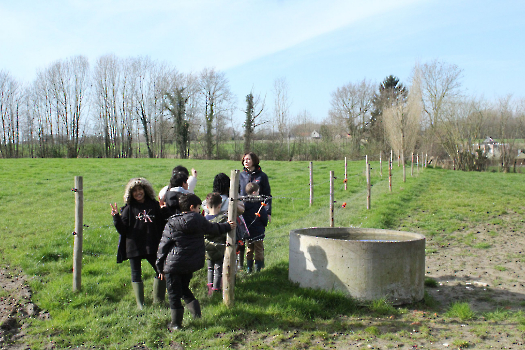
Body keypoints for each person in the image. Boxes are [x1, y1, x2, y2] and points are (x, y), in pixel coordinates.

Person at [156, 193, 236, 331]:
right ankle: (196, 314)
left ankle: (176, 324)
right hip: (189, 264)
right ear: (192, 207)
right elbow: (213, 229)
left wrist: (159, 267)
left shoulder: (172, 222)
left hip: (173, 265)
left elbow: (163, 246)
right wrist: (227, 226)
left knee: (174, 295)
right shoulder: (199, 219)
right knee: (184, 289)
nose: (200, 210)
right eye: (199, 207)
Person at [110, 177, 166, 310]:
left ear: (145, 190)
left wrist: (164, 210)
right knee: (136, 274)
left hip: (152, 245)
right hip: (134, 245)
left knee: (161, 270)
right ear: (130, 193)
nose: (138, 193)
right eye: (134, 191)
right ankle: (141, 304)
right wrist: (116, 217)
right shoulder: (128, 209)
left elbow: (161, 224)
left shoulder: (153, 205)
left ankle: (159, 300)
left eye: (140, 189)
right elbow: (122, 230)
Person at [203, 192, 228, 295]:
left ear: (207, 206)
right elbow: (224, 234)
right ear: (220, 205)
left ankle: (209, 288)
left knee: (210, 268)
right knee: (218, 269)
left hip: (207, 249)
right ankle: (216, 288)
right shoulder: (222, 219)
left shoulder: (204, 220)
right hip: (219, 249)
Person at [242, 182, 269, 273]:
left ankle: (249, 268)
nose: (259, 193)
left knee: (249, 248)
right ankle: (259, 268)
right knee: (258, 249)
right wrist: (264, 224)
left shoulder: (244, 205)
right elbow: (264, 217)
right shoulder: (259, 205)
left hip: (248, 231)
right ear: (254, 193)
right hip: (258, 231)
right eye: (258, 191)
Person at [239, 152, 272, 221]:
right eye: (244, 160)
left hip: (258, 210)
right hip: (243, 210)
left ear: (254, 160)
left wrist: (268, 212)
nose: (246, 161)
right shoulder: (240, 176)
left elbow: (267, 195)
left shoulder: (262, 176)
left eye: (248, 159)